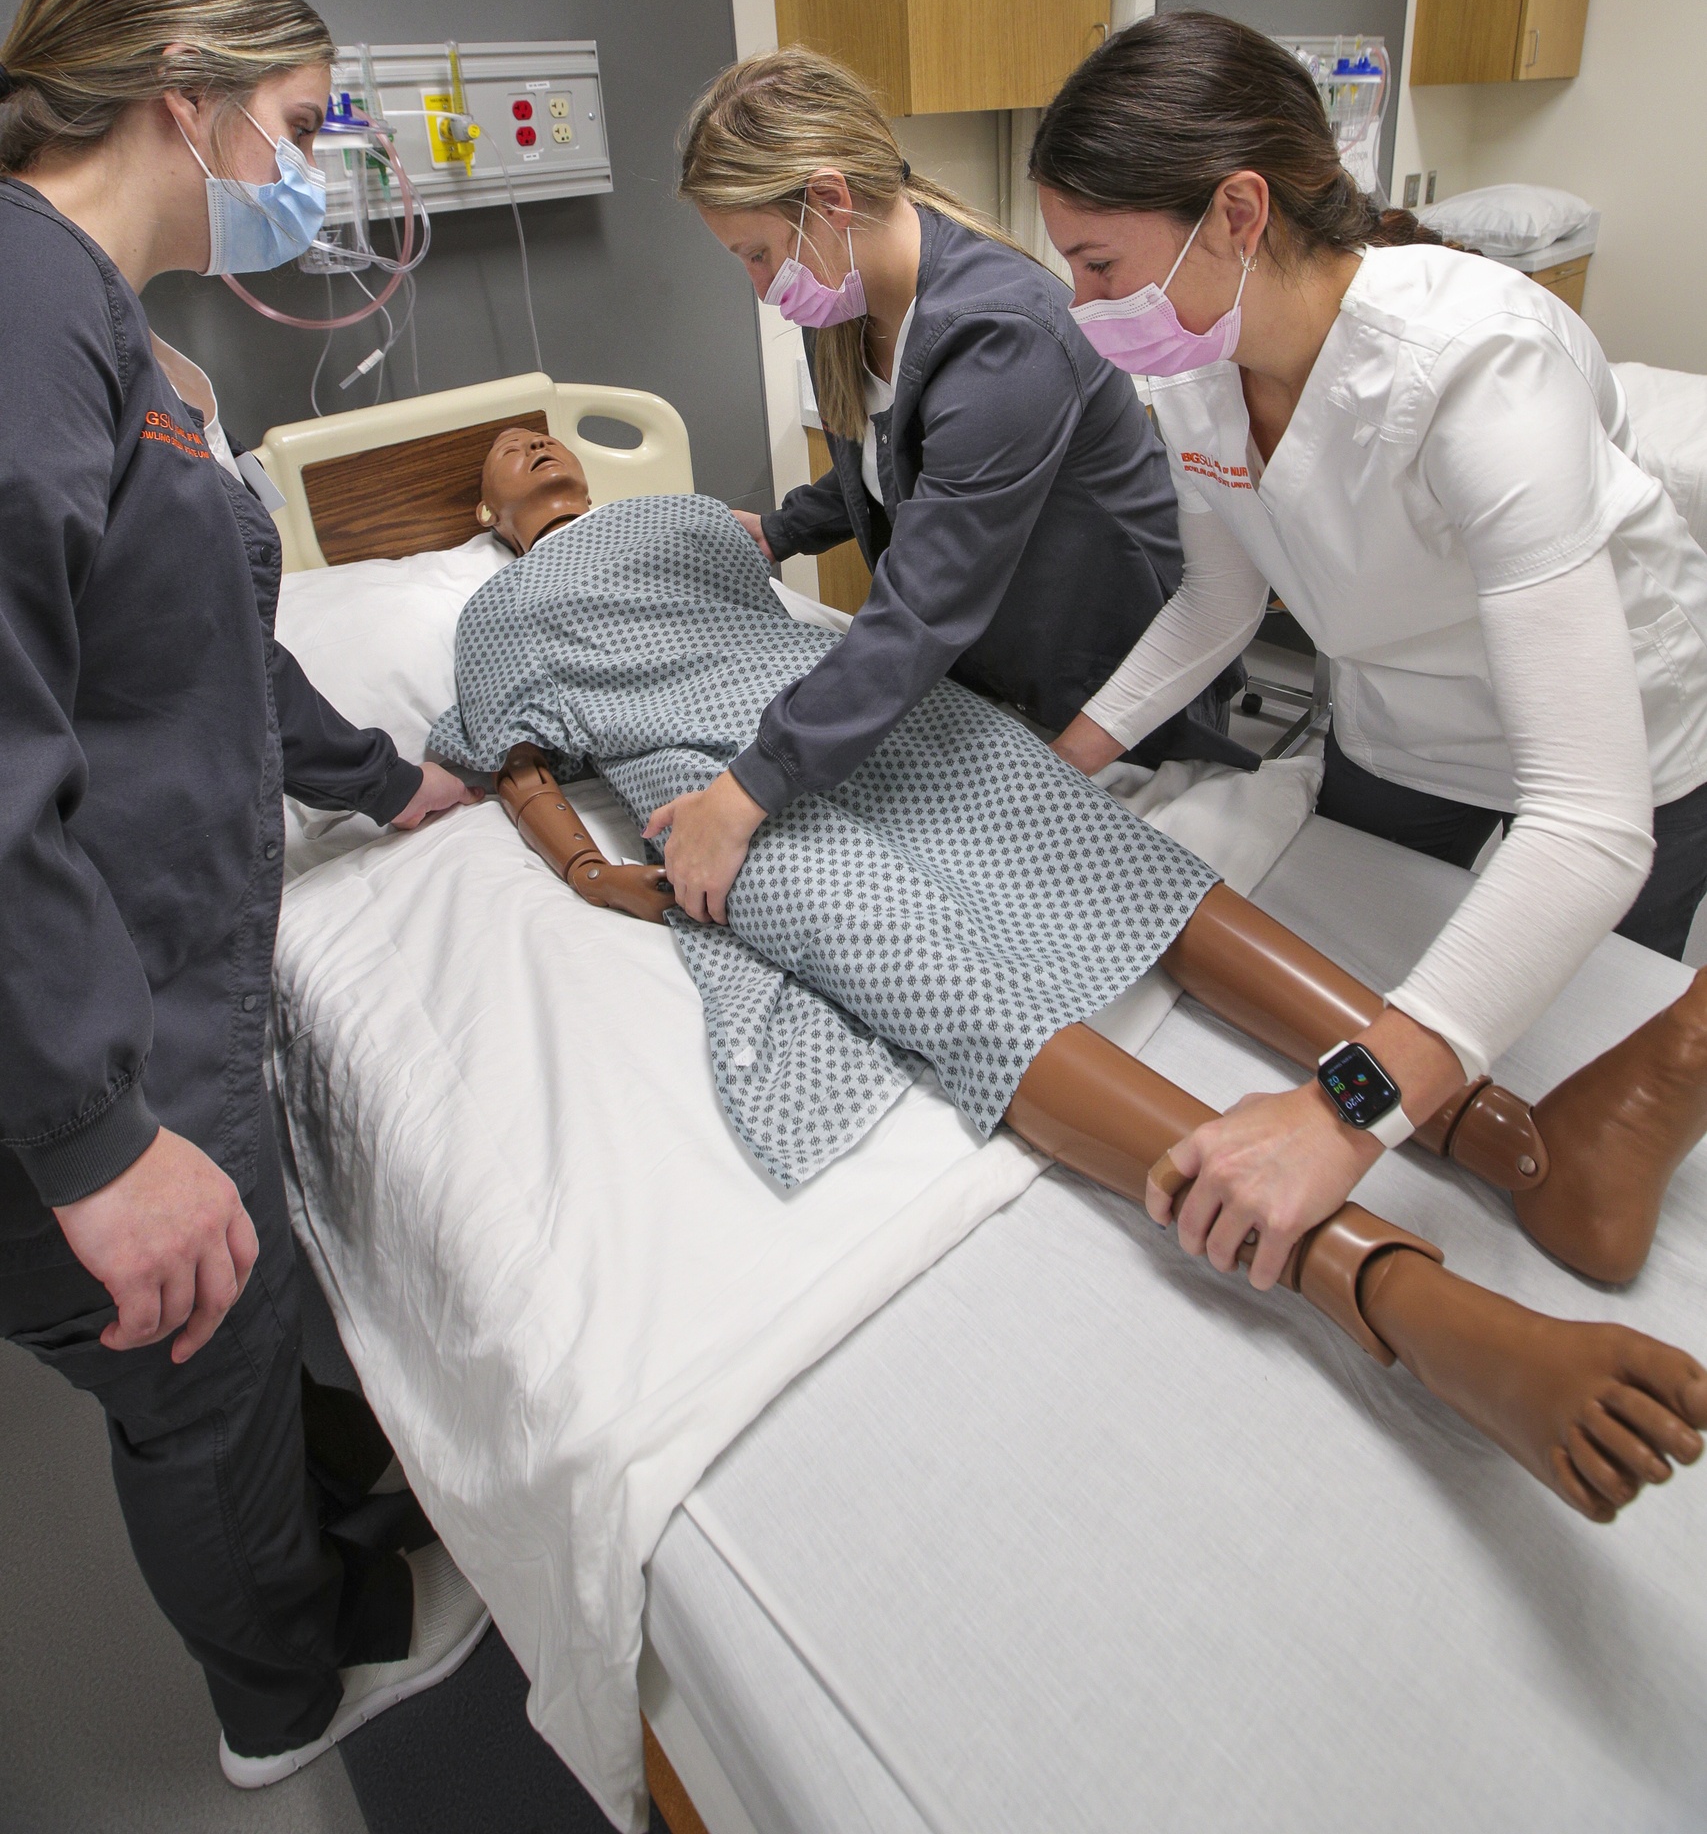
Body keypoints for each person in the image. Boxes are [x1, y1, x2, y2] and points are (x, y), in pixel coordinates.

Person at [434, 426, 1707, 1526]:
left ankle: (1504, 1137)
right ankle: (1389, 1285)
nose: (538, 440)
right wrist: (586, 872)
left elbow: (831, 561)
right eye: (508, 450)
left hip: (841, 706)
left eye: (548, 432)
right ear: (489, 517)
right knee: (936, 978)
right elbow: (517, 765)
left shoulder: (687, 520)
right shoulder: (491, 613)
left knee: (1099, 850)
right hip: (710, 803)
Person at [0, 0, 490, 1791]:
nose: (310, 170)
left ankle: (321, 1542)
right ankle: (286, 1696)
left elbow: (198, 651)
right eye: (292, 123)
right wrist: (94, 1137)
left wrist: (388, 785)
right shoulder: (26, 309)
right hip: (84, 1016)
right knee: (191, 1376)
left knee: (235, 1335)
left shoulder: (110, 333)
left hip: (162, 951)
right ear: (179, 100)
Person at [1032, 8, 1707, 1293]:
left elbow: (1590, 819)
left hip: (1621, 722)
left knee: (1590, 1021)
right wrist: (1068, 756)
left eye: (1101, 264)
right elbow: (1216, 608)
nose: (1085, 306)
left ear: (1236, 213)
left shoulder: (1473, 366)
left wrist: (1342, 1111)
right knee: (1366, 954)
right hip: (1404, 710)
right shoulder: (1201, 369)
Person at [655, 47, 1243, 925]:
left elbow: (927, 595)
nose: (761, 287)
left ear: (827, 201)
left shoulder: (1002, 337)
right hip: (998, 683)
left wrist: (746, 790)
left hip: (1108, 683)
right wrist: (781, 531)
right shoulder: (852, 305)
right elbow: (893, 463)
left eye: (758, 253)